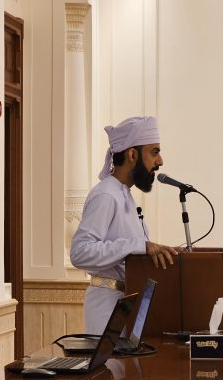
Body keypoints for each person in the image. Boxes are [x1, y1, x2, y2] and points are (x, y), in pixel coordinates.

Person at [70, 116, 178, 334]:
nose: (160, 161)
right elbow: (80, 253)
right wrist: (138, 246)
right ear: (132, 154)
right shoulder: (106, 195)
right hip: (107, 307)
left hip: (126, 303)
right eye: (154, 152)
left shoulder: (123, 194)